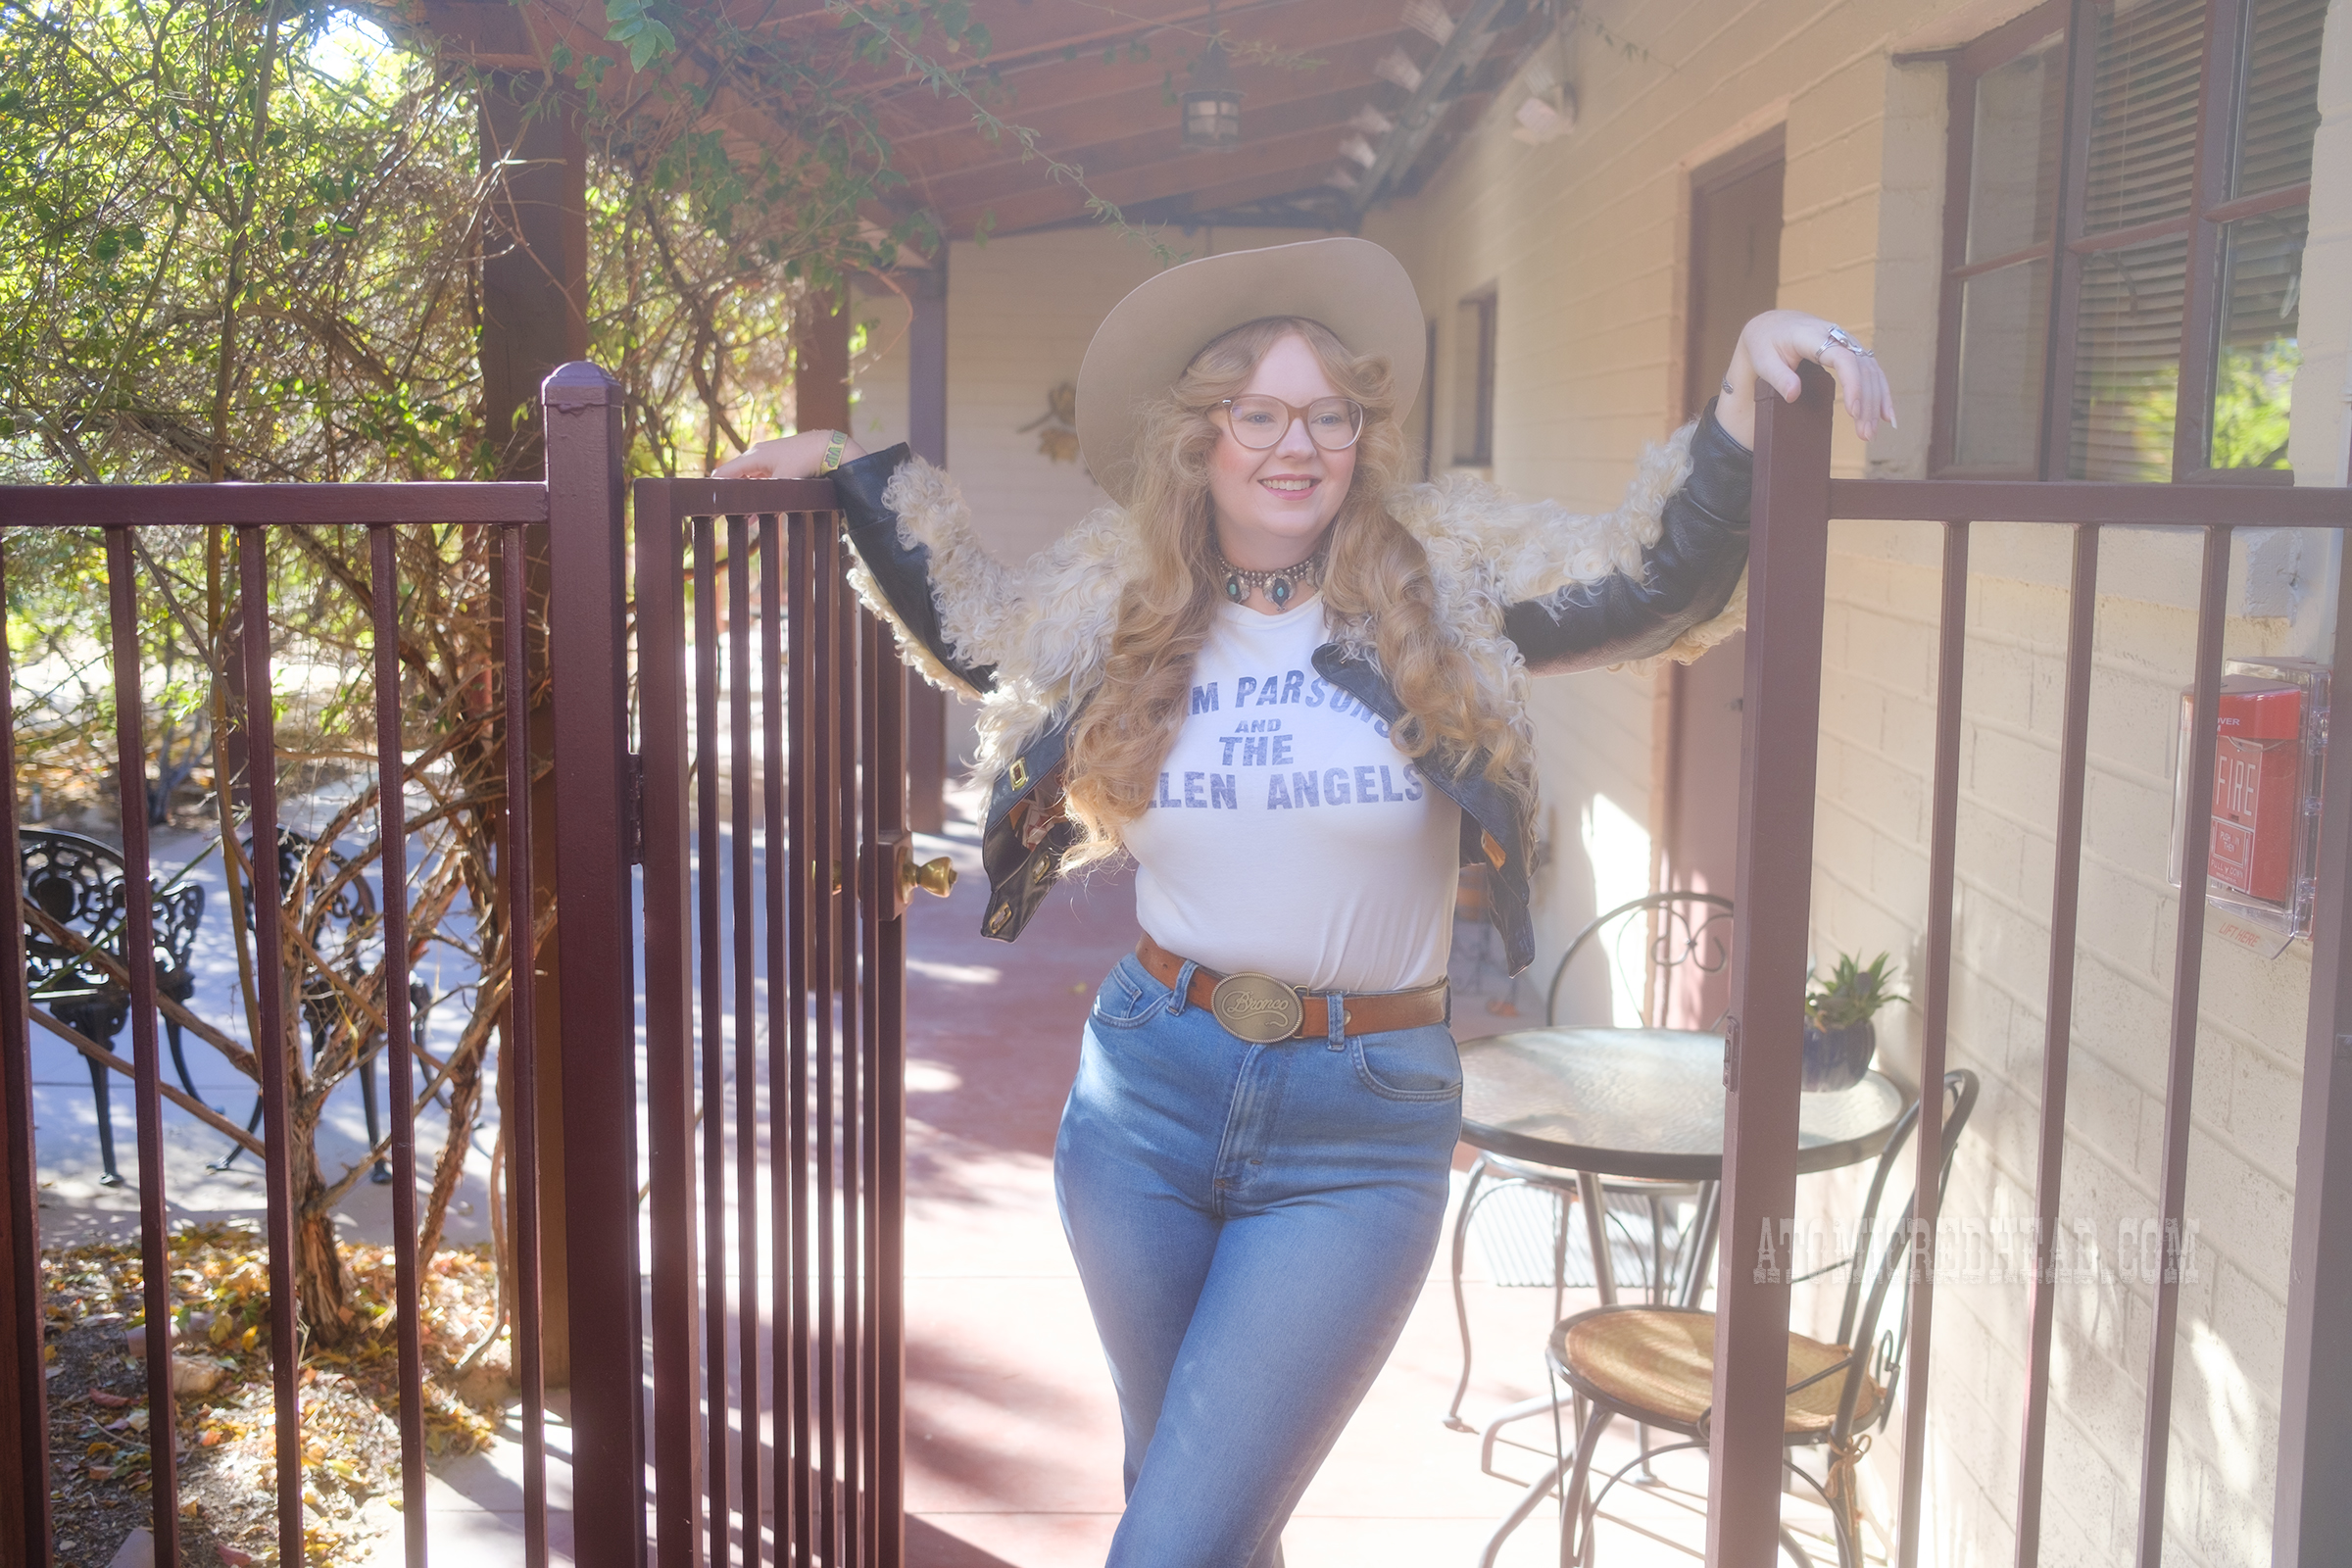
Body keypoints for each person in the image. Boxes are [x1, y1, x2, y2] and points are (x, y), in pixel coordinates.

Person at [715, 238, 1894, 1568]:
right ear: (1196, 437)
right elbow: (970, 618)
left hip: (1358, 1121)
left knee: (1171, 1544)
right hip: (1145, 1096)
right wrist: (839, 464)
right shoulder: (1123, 596)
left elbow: (1651, 574)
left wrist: (1744, 391)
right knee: (1208, 1517)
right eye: (1259, 413)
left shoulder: (1442, 584)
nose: (1300, 445)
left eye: (1330, 415)